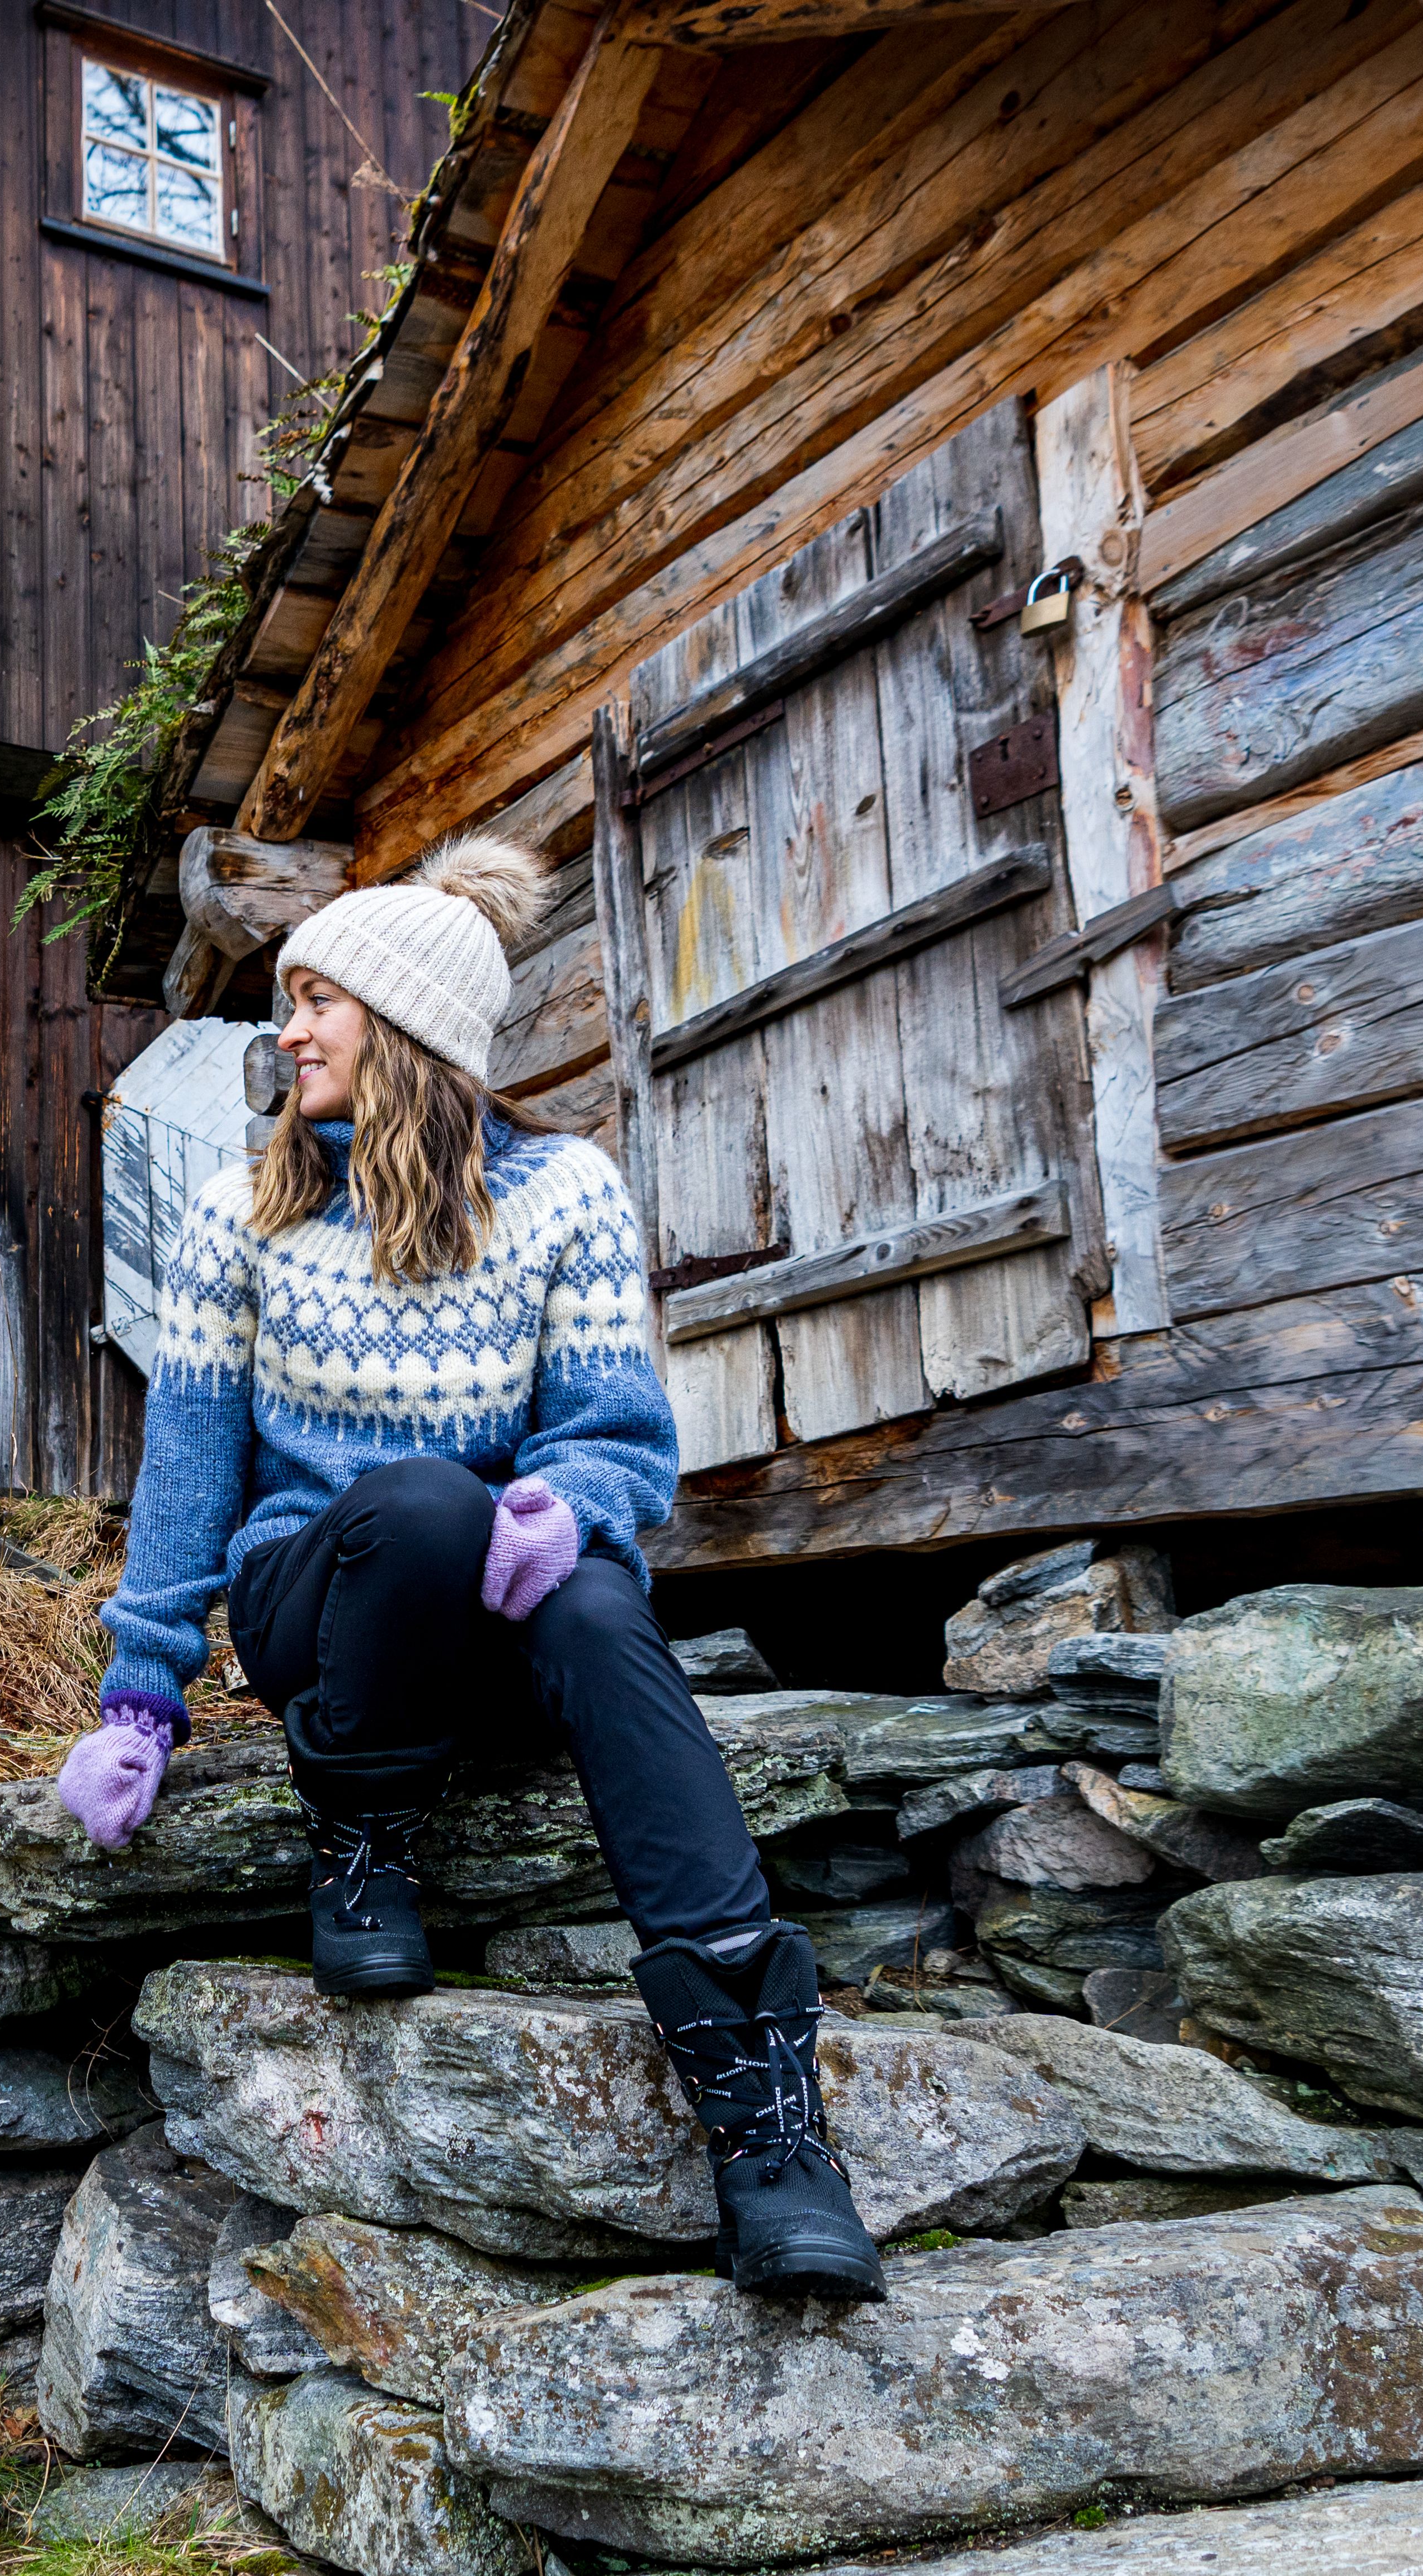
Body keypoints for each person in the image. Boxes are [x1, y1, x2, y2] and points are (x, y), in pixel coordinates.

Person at [54, 839, 884, 2305]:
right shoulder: (240, 1225)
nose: (288, 1032)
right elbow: (186, 1482)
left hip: (492, 1616)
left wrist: (564, 1512)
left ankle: (767, 2128)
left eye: (319, 1002)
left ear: (413, 1030)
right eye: (286, 1002)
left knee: (601, 1598)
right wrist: (141, 1700)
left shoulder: (565, 1196)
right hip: (325, 1610)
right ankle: (363, 1830)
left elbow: (619, 1441)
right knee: (433, 1501)